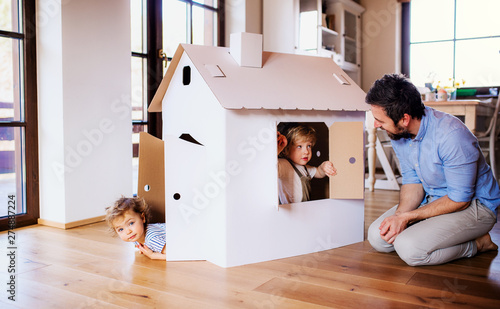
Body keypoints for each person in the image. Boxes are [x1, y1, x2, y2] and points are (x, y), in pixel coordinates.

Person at [366, 73, 499, 266]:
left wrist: (409, 218)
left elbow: (460, 199)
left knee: (409, 249)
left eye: (381, 120)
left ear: (404, 119)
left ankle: (479, 243)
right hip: (433, 198)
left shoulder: (452, 136)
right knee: (378, 237)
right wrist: (399, 218)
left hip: (474, 206)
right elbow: (413, 182)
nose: (376, 125)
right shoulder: (400, 134)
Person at [277, 124, 337, 204]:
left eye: (309, 146)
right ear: (285, 150)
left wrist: (323, 167)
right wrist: (277, 149)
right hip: (290, 211)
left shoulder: (304, 168)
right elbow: (271, 169)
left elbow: (318, 172)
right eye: (299, 146)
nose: (306, 152)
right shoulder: (284, 165)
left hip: (304, 208)